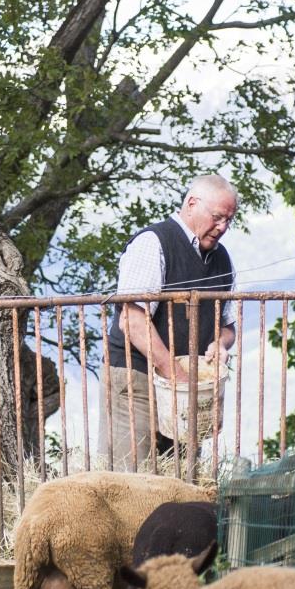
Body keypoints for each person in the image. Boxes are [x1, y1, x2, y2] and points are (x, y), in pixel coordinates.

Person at [99, 174, 240, 473]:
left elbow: (228, 325)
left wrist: (220, 343)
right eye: (217, 217)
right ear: (192, 204)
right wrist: (179, 377)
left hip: (188, 388)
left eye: (229, 220)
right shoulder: (153, 243)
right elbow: (132, 321)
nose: (223, 227)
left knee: (182, 482)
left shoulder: (223, 261)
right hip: (136, 378)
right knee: (130, 478)